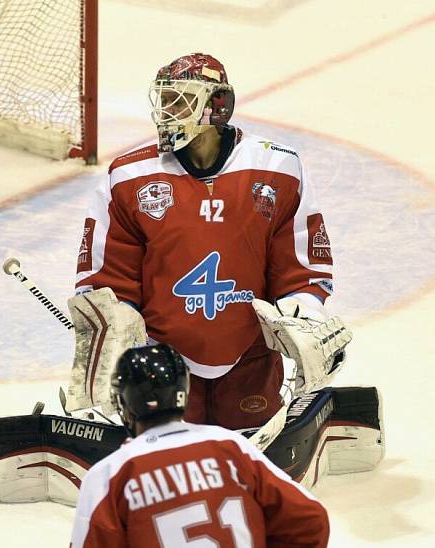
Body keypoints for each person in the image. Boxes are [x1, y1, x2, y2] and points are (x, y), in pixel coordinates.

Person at [64, 52, 351, 432]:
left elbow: (303, 266)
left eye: (180, 100)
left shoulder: (277, 168)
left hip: (251, 355)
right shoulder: (128, 176)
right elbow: (106, 277)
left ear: (217, 106)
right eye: (164, 100)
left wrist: (303, 314)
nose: (167, 111)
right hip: (162, 362)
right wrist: (111, 329)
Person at [69, 343, 330, 548]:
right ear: (183, 393)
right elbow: (311, 520)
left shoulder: (109, 475)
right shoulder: (230, 446)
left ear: (124, 405)